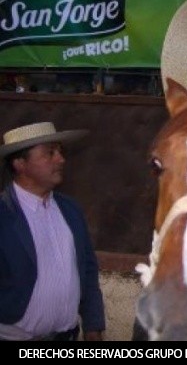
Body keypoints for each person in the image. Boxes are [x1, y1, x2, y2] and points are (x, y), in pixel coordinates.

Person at [0, 121, 105, 341]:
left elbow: (87, 269)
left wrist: (93, 326)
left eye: (60, 151)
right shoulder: (4, 214)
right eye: (49, 153)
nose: (61, 159)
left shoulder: (70, 210)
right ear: (20, 163)